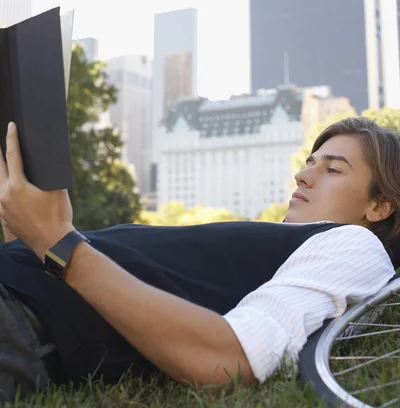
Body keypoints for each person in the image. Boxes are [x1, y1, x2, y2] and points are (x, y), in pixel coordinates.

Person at [0, 117, 399, 403]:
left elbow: (235, 359)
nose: (303, 175)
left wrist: (58, 242)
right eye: (310, 163)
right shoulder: (281, 244)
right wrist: (29, 230)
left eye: (332, 169)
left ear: (380, 205)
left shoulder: (355, 245)